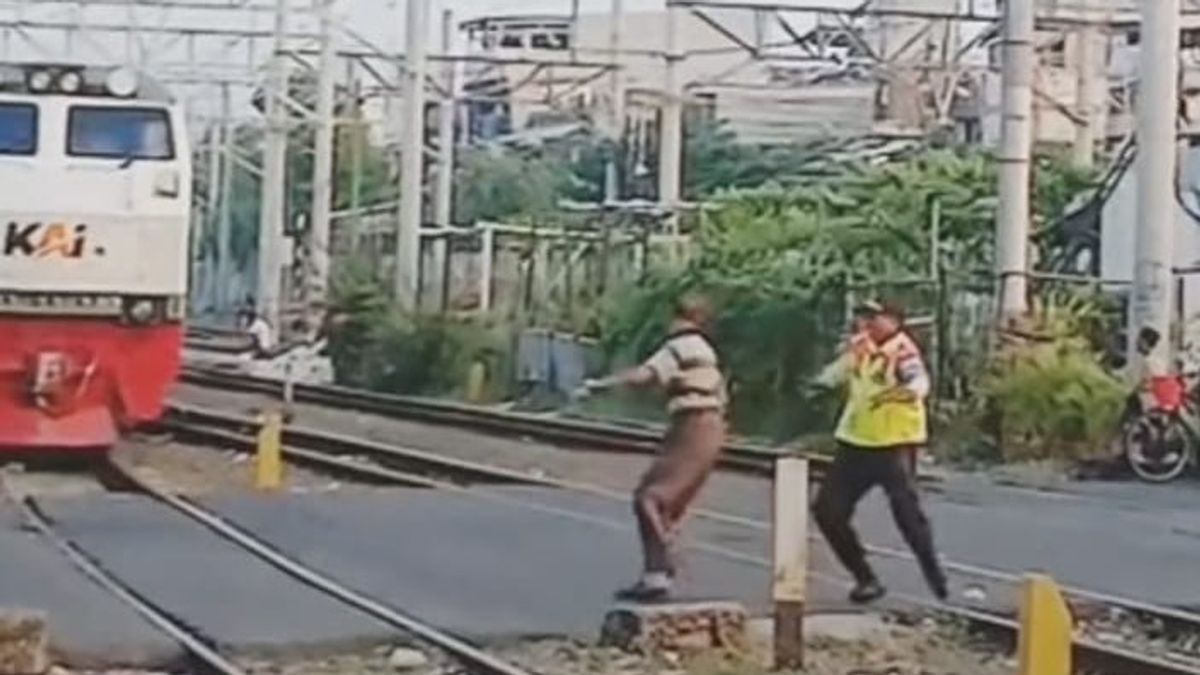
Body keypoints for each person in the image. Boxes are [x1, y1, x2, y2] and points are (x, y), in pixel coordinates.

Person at [580, 294, 727, 601]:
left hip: (693, 425)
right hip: (708, 426)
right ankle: (657, 573)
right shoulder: (706, 350)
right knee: (665, 504)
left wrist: (600, 385)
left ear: (680, 318)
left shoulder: (680, 346)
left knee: (649, 498)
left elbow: (645, 375)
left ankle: (662, 571)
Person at [811, 299, 947, 604]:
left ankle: (935, 577)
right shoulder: (861, 346)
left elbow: (918, 381)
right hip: (855, 442)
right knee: (827, 511)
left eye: (874, 317)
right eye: (864, 316)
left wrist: (904, 392)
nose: (867, 322)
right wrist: (818, 383)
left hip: (894, 445)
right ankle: (865, 578)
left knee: (908, 516)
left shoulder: (903, 351)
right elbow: (839, 372)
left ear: (895, 321)